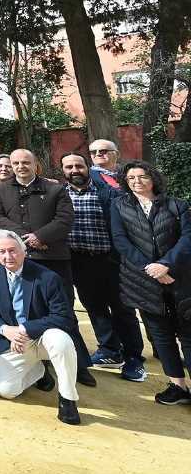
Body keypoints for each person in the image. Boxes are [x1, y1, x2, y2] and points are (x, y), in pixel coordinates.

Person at [0, 148, 96, 385]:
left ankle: (79, 366)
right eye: (15, 162)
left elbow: (65, 219)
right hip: (20, 261)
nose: (20, 166)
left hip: (54, 260)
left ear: (35, 163)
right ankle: (40, 368)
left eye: (25, 162)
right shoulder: (1, 190)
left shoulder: (55, 189)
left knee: (64, 312)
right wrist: (24, 239)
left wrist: (40, 237)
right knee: (25, 313)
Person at [0, 230, 82, 425]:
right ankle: (38, 371)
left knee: (61, 340)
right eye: (2, 251)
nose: (8, 256)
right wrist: (6, 330)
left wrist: (25, 329)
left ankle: (68, 399)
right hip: (13, 341)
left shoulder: (48, 277)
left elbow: (63, 317)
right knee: (6, 390)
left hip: (43, 337)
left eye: (13, 250)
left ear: (24, 251)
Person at [110, 161, 191, 405]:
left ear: (153, 178)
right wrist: (152, 269)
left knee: (188, 336)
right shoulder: (119, 206)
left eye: (142, 176)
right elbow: (120, 241)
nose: (136, 181)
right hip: (143, 281)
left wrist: (167, 264)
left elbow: (187, 238)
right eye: (131, 177)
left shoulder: (177, 205)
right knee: (161, 335)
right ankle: (178, 386)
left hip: (180, 279)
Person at [62, 152, 145, 381]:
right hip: (79, 261)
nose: (74, 170)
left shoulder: (107, 192)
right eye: (69, 167)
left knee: (123, 310)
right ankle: (110, 351)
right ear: (63, 171)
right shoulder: (59, 195)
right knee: (94, 307)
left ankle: (134, 360)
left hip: (111, 260)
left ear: (88, 167)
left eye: (79, 166)